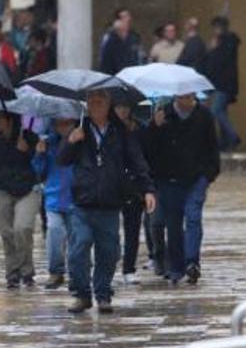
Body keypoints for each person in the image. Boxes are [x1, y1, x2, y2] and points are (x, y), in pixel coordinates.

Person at [58, 90, 156, 315]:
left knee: (109, 251)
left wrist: (148, 189)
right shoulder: (79, 128)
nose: (95, 106)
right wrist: (71, 142)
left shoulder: (120, 132)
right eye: (91, 102)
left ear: (108, 104)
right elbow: (62, 160)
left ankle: (103, 294)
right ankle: (82, 294)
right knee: (78, 248)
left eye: (100, 102)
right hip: (83, 201)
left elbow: (136, 161)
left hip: (110, 202)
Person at [142, 93, 221, 285]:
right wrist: (155, 127)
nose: (186, 101)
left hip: (196, 178)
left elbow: (212, 147)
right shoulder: (164, 114)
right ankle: (176, 267)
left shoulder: (204, 115)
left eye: (189, 96)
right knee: (173, 223)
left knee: (193, 216)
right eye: (182, 97)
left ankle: (192, 261)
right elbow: (149, 150)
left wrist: (208, 175)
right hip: (169, 178)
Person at [0, 110, 42, 289]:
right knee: (7, 232)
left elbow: (40, 165)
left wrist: (28, 151)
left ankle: (27, 270)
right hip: (1, 190)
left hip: (27, 189)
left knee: (23, 228)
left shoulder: (29, 137)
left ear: (9, 120)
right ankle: (12, 272)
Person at [32, 117, 76, 289]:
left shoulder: (81, 141)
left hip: (76, 197)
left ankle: (76, 272)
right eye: (60, 123)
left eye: (67, 123)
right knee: (54, 233)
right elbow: (38, 172)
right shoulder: (48, 143)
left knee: (76, 240)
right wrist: (39, 154)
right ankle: (56, 271)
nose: (63, 127)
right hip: (53, 197)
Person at [114, 101, 146, 285]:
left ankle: (129, 268)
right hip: (111, 185)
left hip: (134, 186)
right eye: (119, 107)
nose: (123, 110)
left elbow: (146, 156)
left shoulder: (139, 129)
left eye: (126, 106)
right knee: (109, 230)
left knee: (132, 229)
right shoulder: (106, 130)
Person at [201, 16, 242, 151]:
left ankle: (233, 136)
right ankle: (225, 142)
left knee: (216, 110)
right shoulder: (221, 42)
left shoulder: (228, 41)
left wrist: (213, 49)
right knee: (222, 111)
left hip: (224, 83)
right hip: (217, 82)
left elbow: (221, 61)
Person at [98, 9, 140, 74]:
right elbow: (104, 58)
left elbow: (138, 55)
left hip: (131, 73)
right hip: (115, 74)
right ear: (118, 21)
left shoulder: (134, 36)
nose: (128, 19)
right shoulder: (110, 37)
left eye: (128, 16)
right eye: (124, 17)